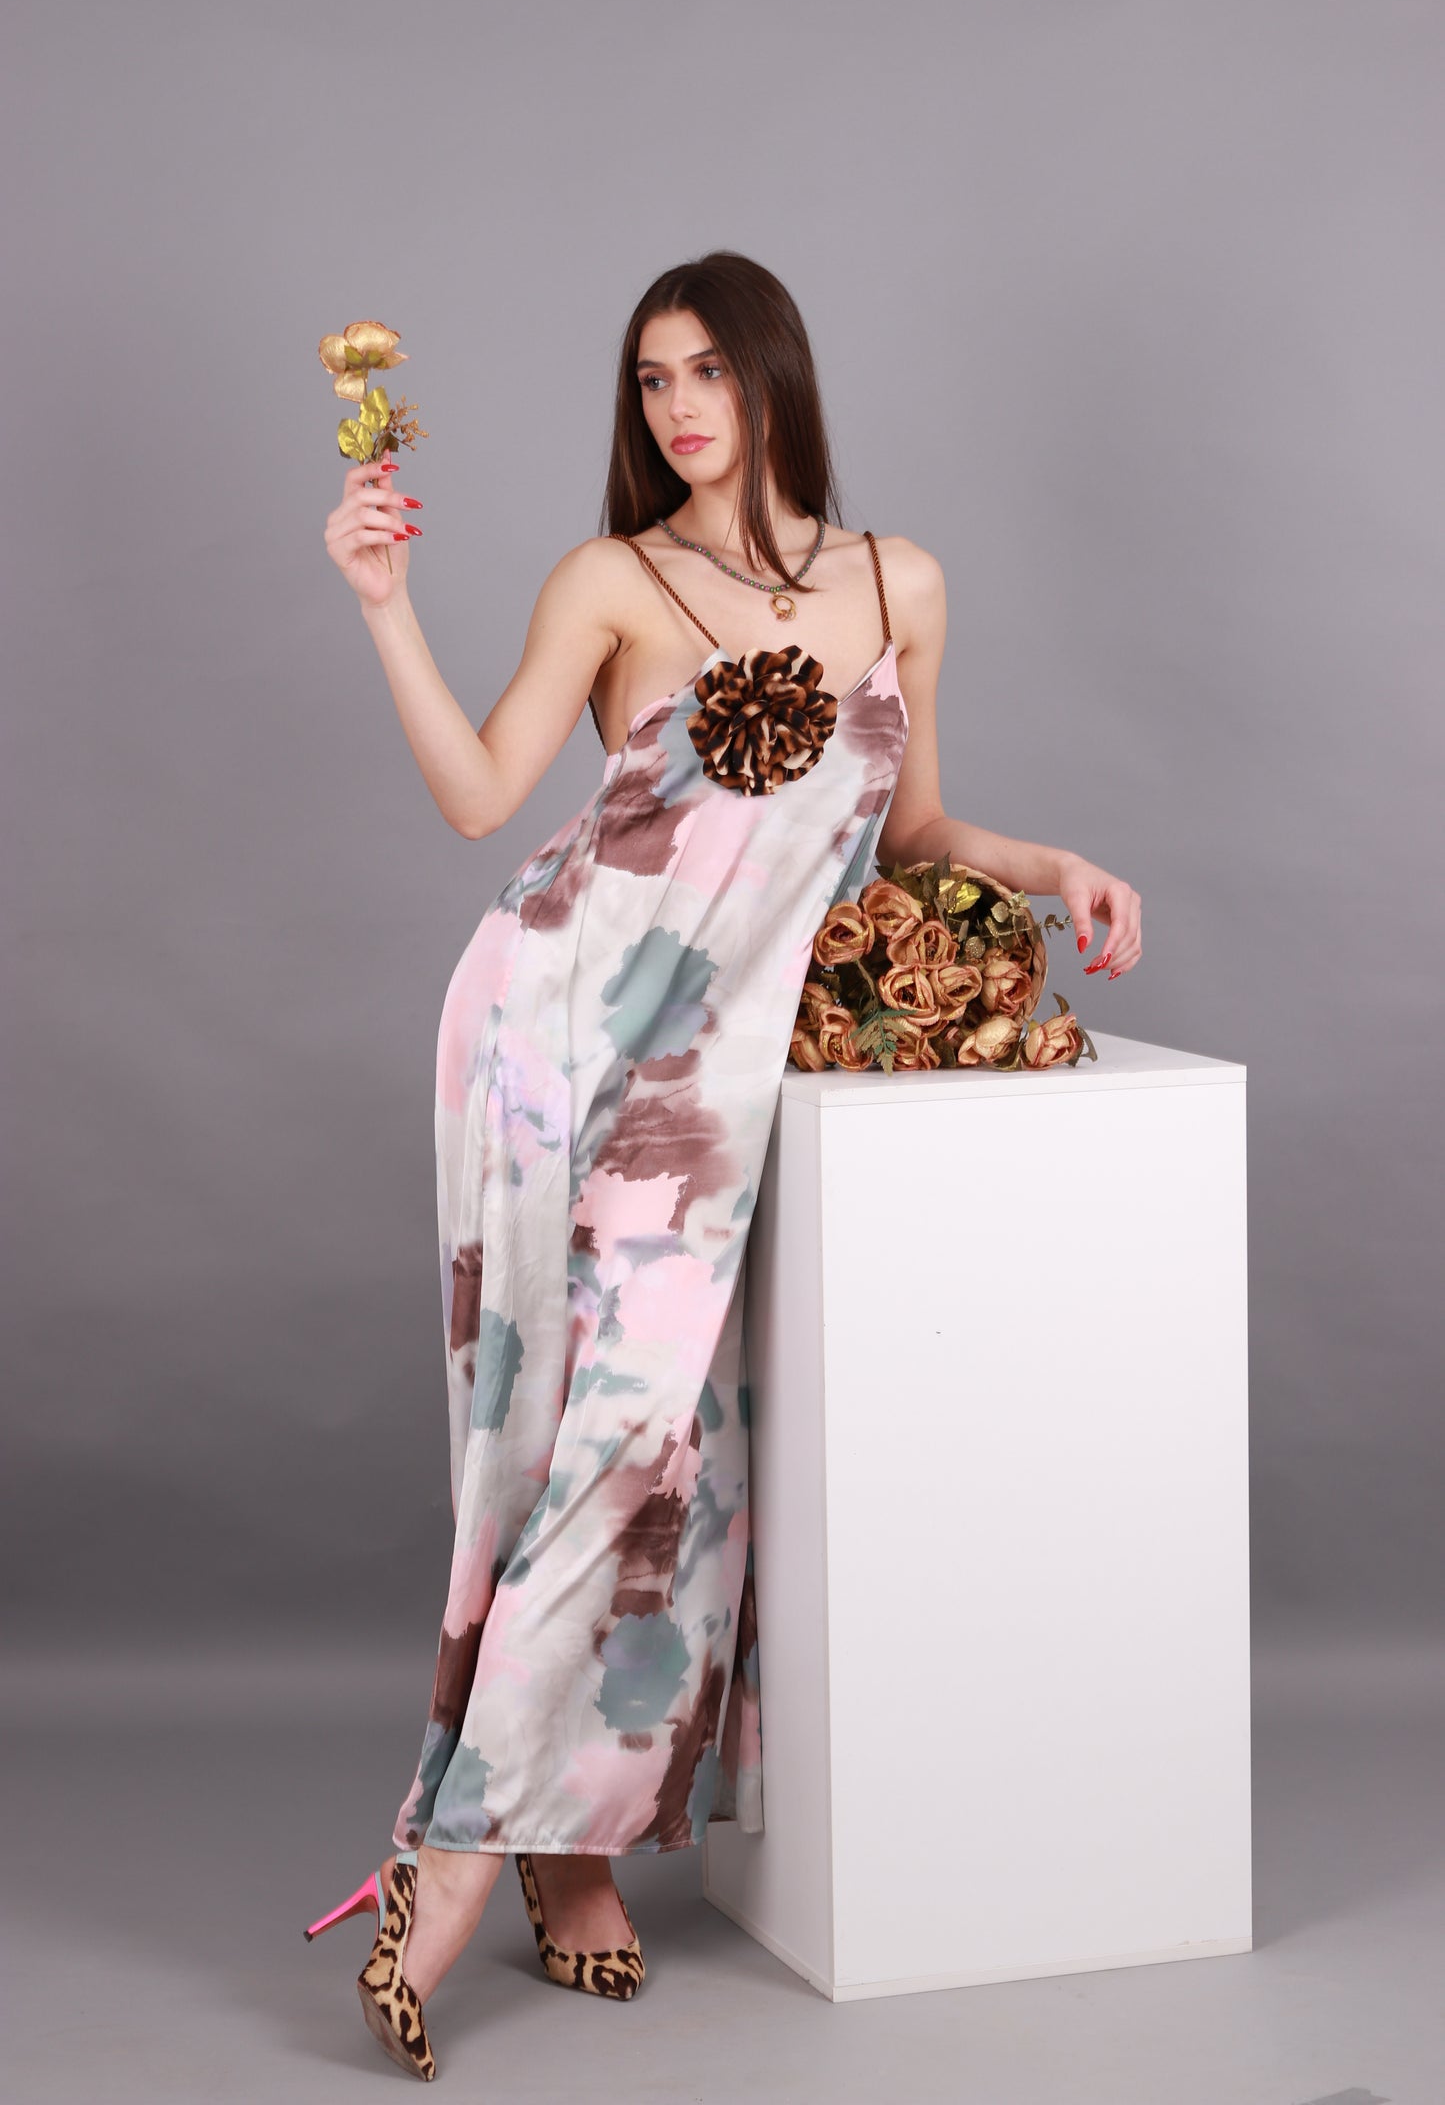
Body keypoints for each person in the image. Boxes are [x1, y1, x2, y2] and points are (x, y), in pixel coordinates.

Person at [305, 250, 1142, 2079]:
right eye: (649, 383)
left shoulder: (894, 579)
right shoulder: (611, 578)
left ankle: (558, 1845)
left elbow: (903, 821)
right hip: (557, 1039)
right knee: (577, 1444)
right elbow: (478, 796)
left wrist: (1047, 864)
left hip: (722, 1076)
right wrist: (384, 604)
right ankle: (466, 1859)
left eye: (705, 373)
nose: (678, 410)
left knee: (671, 1454)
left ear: (771, 378)